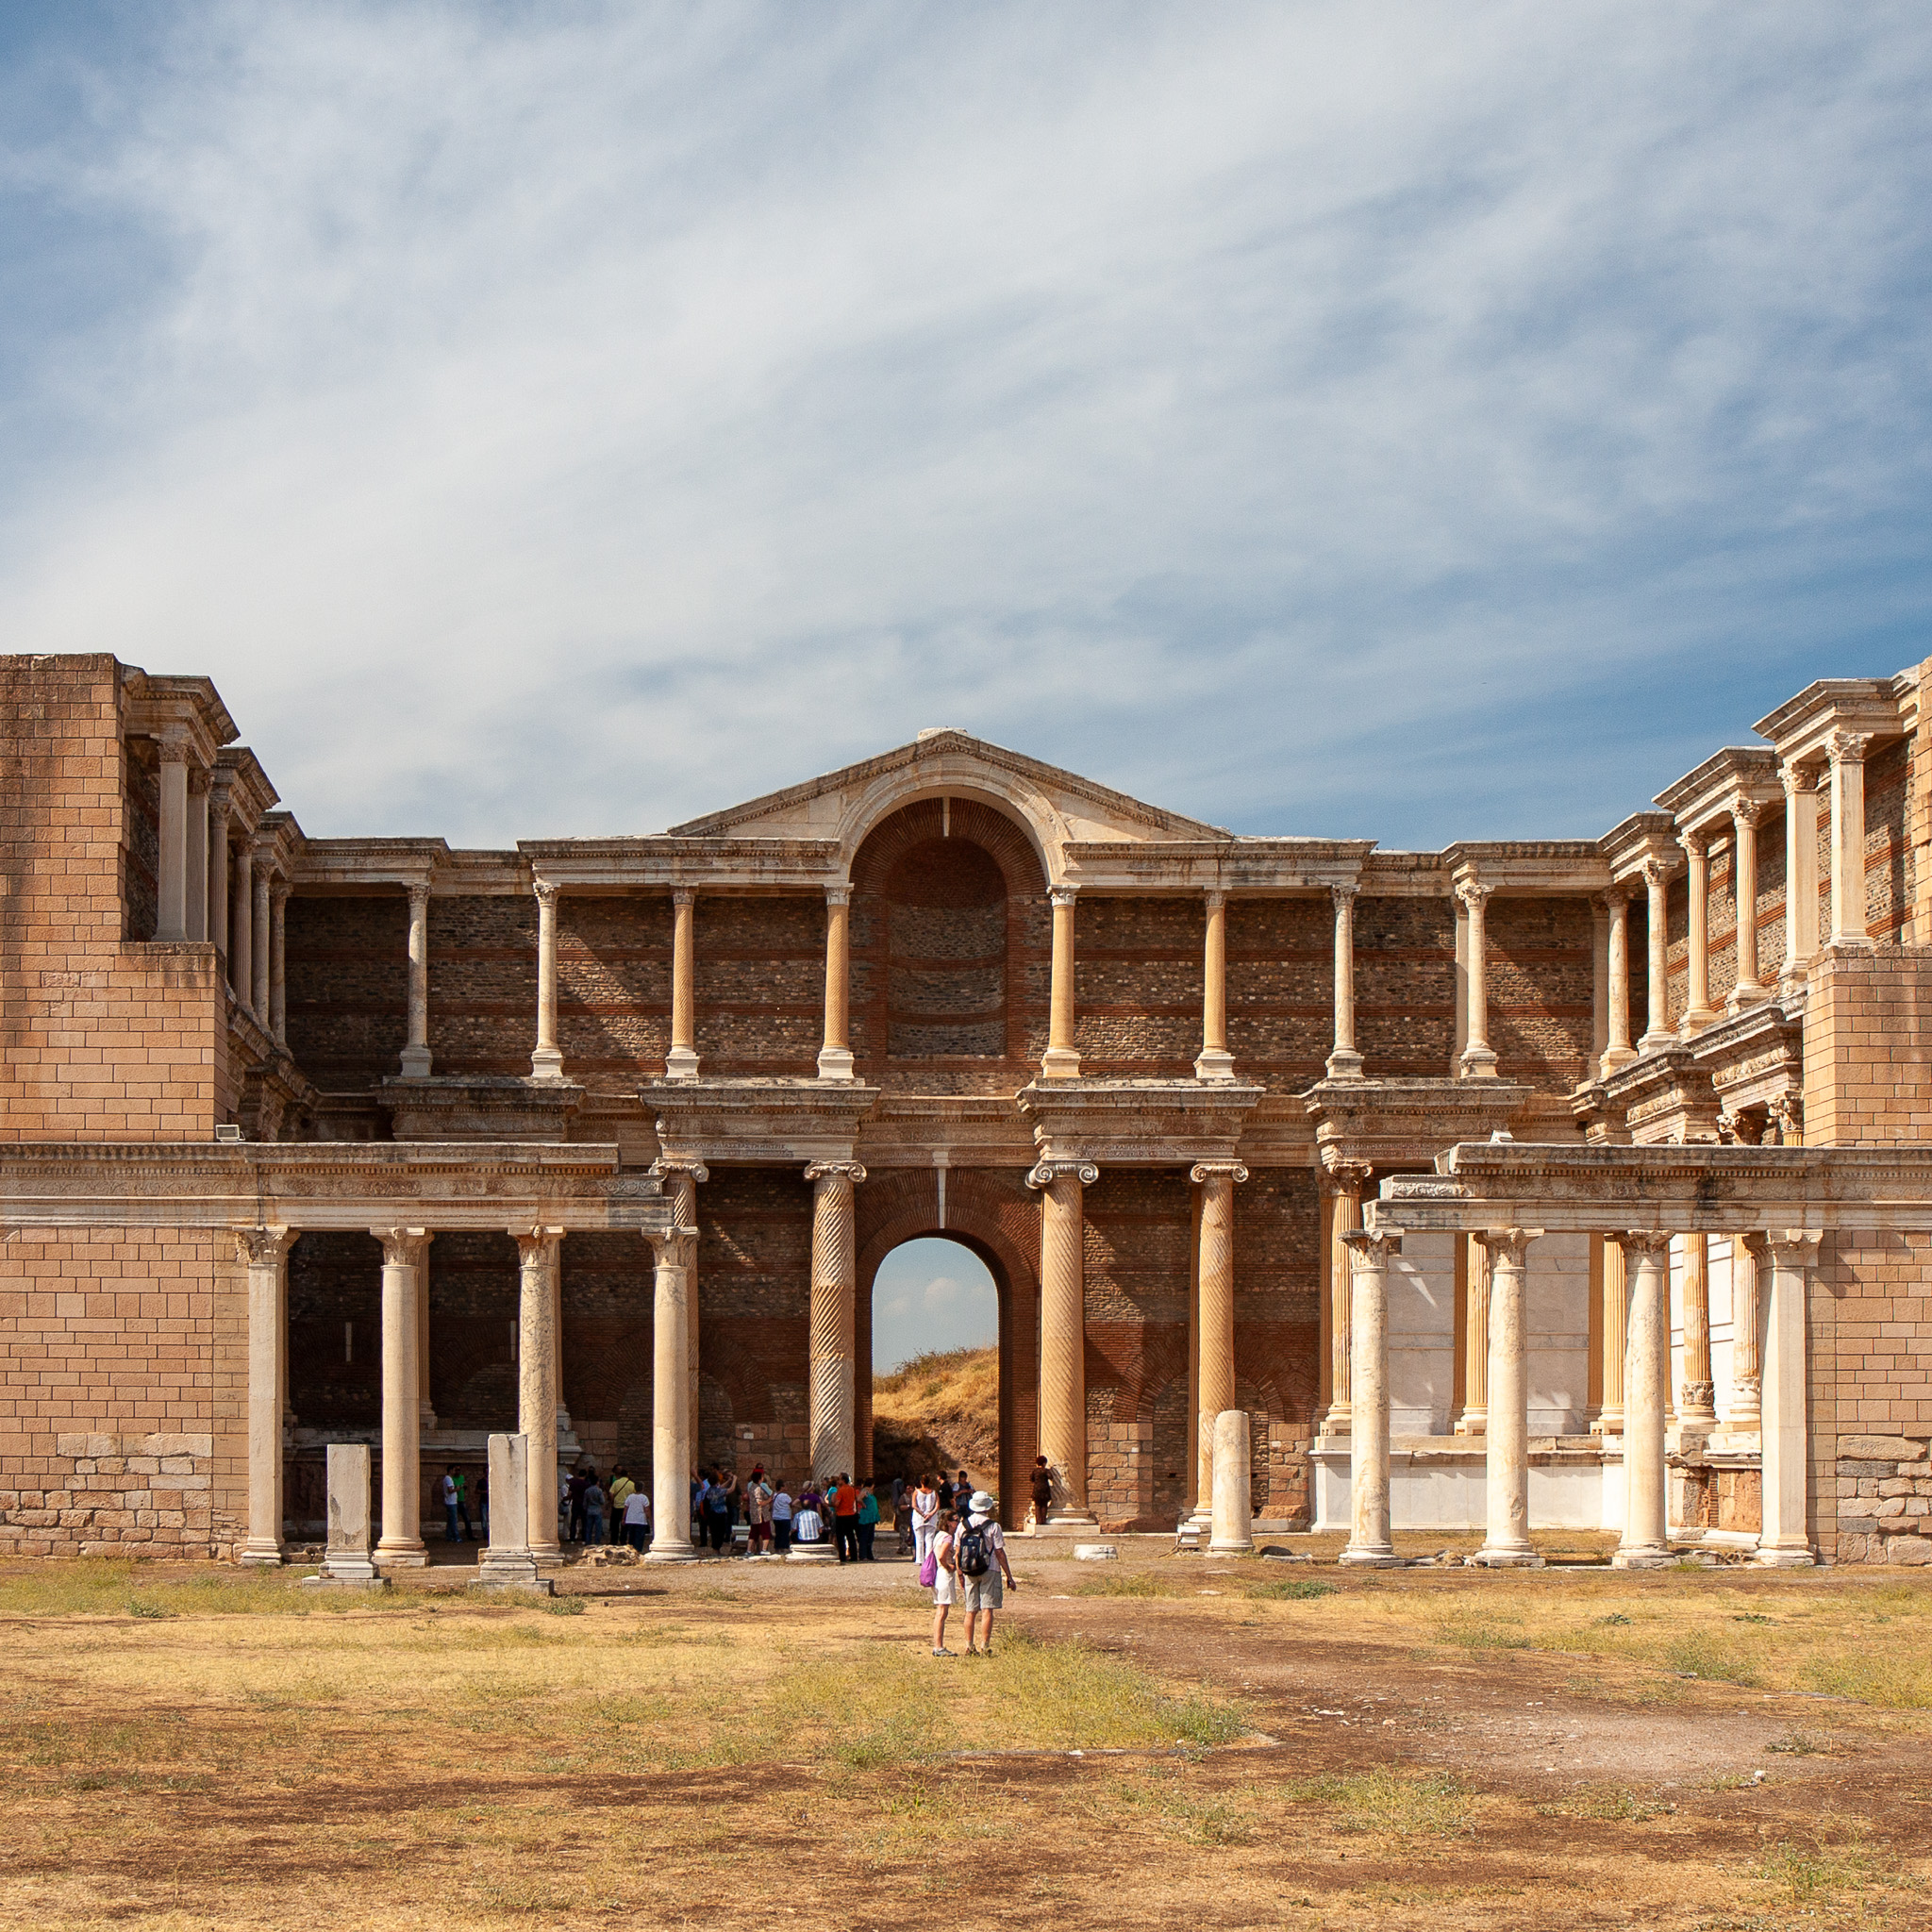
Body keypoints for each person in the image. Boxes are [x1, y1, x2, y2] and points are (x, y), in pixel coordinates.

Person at [956, 1490, 1018, 1656]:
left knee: (970, 1610)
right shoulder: (993, 1526)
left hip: (969, 1569)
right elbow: (999, 1552)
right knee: (987, 1609)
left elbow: (957, 1552)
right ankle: (985, 1645)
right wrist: (1009, 1576)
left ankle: (969, 1645)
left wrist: (960, 1573)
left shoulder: (963, 1525)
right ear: (987, 1508)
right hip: (990, 1569)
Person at [929, 1507, 959, 1657]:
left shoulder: (938, 1536)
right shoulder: (947, 1538)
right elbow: (942, 1556)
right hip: (944, 1574)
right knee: (942, 1612)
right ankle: (938, 1646)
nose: (958, 1523)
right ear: (948, 1522)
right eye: (955, 1521)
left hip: (937, 1575)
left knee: (941, 1611)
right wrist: (949, 1566)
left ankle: (938, 1645)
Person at [703, 1468, 736, 1553]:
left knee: (714, 1532)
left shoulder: (710, 1490)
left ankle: (716, 1549)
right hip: (720, 1514)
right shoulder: (718, 1492)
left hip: (712, 1513)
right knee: (720, 1532)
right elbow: (731, 1489)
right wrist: (734, 1480)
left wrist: (728, 1481)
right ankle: (716, 1549)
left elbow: (720, 1487)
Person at [910, 1475, 939, 1568]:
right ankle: (928, 1559)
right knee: (929, 1539)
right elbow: (937, 1506)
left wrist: (922, 1514)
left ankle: (919, 1559)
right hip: (931, 1518)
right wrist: (930, 1514)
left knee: (919, 1539)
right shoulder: (934, 1492)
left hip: (919, 1518)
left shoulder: (916, 1492)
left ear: (921, 1482)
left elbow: (914, 1505)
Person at [832, 1472, 860, 1564]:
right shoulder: (852, 1489)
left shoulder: (841, 1490)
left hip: (841, 1515)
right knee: (851, 1536)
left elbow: (837, 1503)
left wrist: (831, 1503)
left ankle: (843, 1557)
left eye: (839, 1479)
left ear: (843, 1480)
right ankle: (854, 1556)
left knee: (840, 1537)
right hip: (851, 1514)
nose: (838, 1480)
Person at [744, 1468, 774, 1557]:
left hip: (753, 1513)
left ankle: (749, 1550)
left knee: (754, 1532)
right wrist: (768, 1500)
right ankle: (764, 1549)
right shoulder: (757, 1488)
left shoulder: (751, 1487)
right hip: (761, 1514)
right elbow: (759, 1502)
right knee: (765, 1531)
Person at [622, 1482, 651, 1552]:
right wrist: (649, 1518)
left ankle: (631, 1551)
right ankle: (638, 1551)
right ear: (642, 1488)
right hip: (640, 1520)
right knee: (639, 1538)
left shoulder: (630, 1497)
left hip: (630, 1520)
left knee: (631, 1537)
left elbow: (626, 1508)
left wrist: (623, 1518)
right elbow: (647, 1509)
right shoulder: (644, 1498)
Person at [608, 1464, 636, 1536]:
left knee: (615, 1524)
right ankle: (623, 1539)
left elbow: (611, 1493)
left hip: (616, 1506)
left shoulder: (616, 1482)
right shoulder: (631, 1484)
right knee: (624, 1524)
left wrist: (612, 1502)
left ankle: (613, 1540)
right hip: (626, 1507)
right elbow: (634, 1495)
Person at [857, 1480, 880, 1561]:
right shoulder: (865, 1491)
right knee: (864, 1536)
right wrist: (863, 1505)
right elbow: (859, 1499)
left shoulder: (870, 1492)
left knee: (870, 1537)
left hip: (872, 1517)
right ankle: (863, 1555)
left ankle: (869, 1554)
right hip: (866, 1517)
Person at [568, 1465, 591, 1544]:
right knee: (584, 1522)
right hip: (584, 1504)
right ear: (585, 1475)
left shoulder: (573, 1483)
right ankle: (584, 1539)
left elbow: (569, 1493)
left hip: (575, 1503)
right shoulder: (586, 1484)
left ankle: (572, 1539)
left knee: (573, 1521)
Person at [1029, 1455, 1054, 1530]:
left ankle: (1038, 1521)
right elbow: (1051, 1477)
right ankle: (1043, 1521)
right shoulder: (1045, 1471)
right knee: (1044, 1506)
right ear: (1044, 1463)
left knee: (1038, 1505)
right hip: (1045, 1489)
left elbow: (1031, 1479)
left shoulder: (1035, 1471)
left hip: (1036, 1489)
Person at [583, 1473, 607, 1548]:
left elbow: (585, 1502)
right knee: (598, 1527)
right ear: (597, 1482)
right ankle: (597, 1541)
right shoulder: (599, 1491)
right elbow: (602, 1501)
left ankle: (588, 1541)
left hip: (589, 1509)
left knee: (589, 1527)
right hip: (597, 1509)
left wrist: (586, 1508)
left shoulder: (587, 1491)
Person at [771, 1481, 794, 1555]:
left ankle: (777, 1548)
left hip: (776, 1517)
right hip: (785, 1517)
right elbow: (791, 1503)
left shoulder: (774, 1495)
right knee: (785, 1533)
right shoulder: (785, 1496)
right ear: (781, 1487)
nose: (786, 1488)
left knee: (778, 1533)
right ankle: (784, 1548)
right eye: (785, 1486)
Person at [441, 1467, 462, 1544]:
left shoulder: (447, 1479)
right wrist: (457, 1489)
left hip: (450, 1502)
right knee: (453, 1520)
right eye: (454, 1470)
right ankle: (456, 1537)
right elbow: (450, 1490)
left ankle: (449, 1536)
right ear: (450, 1470)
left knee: (450, 1520)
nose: (455, 1471)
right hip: (451, 1502)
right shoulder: (448, 1479)